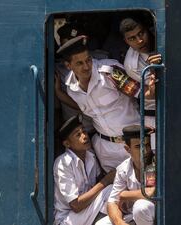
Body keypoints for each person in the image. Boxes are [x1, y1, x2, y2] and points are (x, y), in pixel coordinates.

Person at [56, 35, 155, 172]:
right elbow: (84, 107)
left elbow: (143, 94)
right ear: (68, 65)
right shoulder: (70, 86)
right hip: (106, 149)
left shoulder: (110, 73)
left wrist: (153, 85)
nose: (86, 67)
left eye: (88, 60)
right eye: (79, 63)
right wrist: (59, 94)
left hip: (134, 143)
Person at [54, 115, 115, 225]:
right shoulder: (63, 163)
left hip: (87, 211)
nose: (85, 136)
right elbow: (76, 205)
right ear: (67, 144)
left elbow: (96, 184)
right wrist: (105, 181)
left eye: (84, 131)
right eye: (78, 135)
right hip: (68, 219)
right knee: (109, 190)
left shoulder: (90, 155)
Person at [95, 125, 156, 225]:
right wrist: (119, 222)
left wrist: (124, 195)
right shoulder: (123, 168)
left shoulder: (153, 162)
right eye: (138, 146)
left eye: (147, 145)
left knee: (140, 206)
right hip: (135, 216)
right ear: (127, 149)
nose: (145, 151)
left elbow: (149, 192)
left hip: (158, 214)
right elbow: (112, 203)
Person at [120, 18, 163, 150]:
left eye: (141, 33)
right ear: (126, 41)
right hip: (156, 114)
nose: (140, 40)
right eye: (132, 38)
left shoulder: (161, 37)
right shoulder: (131, 64)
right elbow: (157, 91)